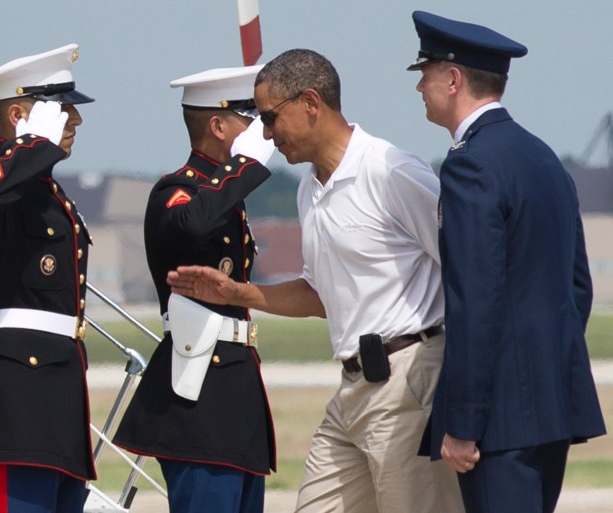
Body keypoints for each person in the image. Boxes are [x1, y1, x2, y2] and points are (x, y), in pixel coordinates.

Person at [167, 49, 464, 513]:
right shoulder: (310, 188)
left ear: (310, 102)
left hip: (409, 380)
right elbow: (320, 295)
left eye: (269, 117)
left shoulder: (391, 171)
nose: (264, 134)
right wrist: (238, 293)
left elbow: (464, 266)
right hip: (351, 388)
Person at [407, 11, 607, 513]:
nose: (419, 88)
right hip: (549, 406)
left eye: (425, 73)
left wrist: (464, 423)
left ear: (453, 79)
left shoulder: (470, 163)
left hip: (499, 422)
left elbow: (476, 299)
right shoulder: (544, 159)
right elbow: (576, 287)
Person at [112, 66, 278, 513]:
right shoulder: (178, 192)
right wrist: (244, 165)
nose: (261, 129)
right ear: (219, 125)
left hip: (234, 387)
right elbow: (189, 226)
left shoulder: (223, 196)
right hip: (199, 391)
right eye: (250, 117)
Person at [0, 44, 96, 513]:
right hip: (10, 407)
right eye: (61, 107)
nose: (75, 119)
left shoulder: (47, 195)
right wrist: (33, 146)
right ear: (18, 114)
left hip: (58, 403)